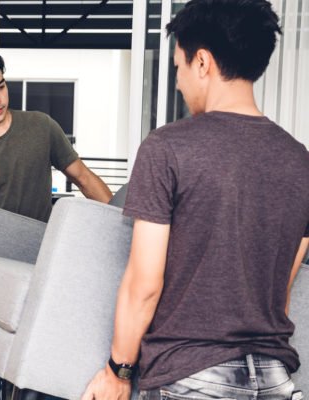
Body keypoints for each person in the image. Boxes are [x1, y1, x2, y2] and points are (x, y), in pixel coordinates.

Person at [81, 1, 309, 399]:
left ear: (202, 62)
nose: (179, 82)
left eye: (178, 67)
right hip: (275, 380)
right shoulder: (300, 160)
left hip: (192, 377)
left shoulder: (168, 147)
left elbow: (144, 283)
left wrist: (117, 371)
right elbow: (281, 285)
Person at [0, 46, 113, 400]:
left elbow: (82, 177)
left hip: (45, 270)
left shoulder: (40, 127)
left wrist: (120, 222)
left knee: (42, 370)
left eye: (0, 86)